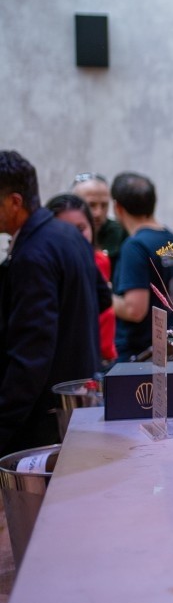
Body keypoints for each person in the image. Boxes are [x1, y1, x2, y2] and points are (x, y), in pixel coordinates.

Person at [0, 152, 104, 455]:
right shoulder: (68, 236)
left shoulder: (33, 253)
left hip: (43, 419)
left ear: (15, 202)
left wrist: (3, 425)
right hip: (78, 404)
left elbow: (32, 353)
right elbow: (103, 297)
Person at [110, 172, 173, 363]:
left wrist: (101, 294)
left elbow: (134, 310)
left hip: (139, 359)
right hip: (172, 350)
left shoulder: (135, 246)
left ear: (117, 207)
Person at [46, 193, 117, 368]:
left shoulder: (99, 260)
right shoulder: (45, 266)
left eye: (80, 229)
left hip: (99, 356)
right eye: (65, 229)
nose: (73, 237)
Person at [70, 172, 127, 273]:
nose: (98, 213)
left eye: (104, 205)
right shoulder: (62, 234)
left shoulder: (119, 233)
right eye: (91, 205)